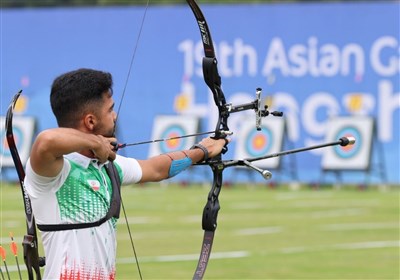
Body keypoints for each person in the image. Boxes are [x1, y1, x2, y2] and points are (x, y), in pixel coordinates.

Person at [25, 68, 228, 279]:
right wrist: (96, 142)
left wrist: (202, 151)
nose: (115, 116)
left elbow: (157, 169)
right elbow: (45, 141)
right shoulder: (54, 173)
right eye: (110, 110)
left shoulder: (108, 167)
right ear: (90, 121)